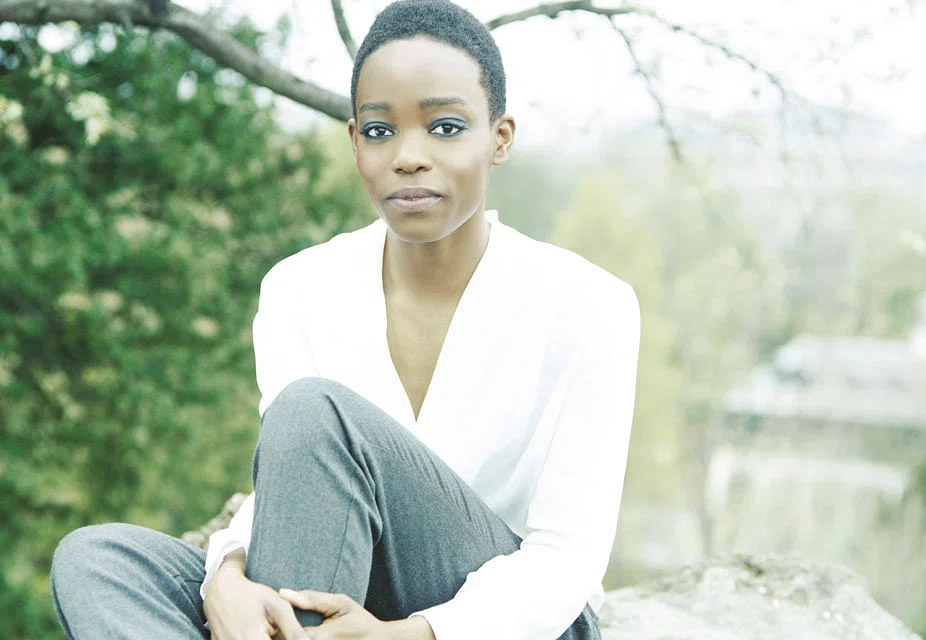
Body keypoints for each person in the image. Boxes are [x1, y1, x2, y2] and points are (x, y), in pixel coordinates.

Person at [49, 1, 641, 638]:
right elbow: (296, 483)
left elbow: (566, 557)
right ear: (355, 141)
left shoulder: (589, 304)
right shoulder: (299, 288)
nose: (409, 156)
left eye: (445, 127)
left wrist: (406, 634)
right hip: (341, 586)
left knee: (314, 409)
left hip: (508, 620)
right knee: (97, 561)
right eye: (381, 131)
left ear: (499, 138)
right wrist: (228, 572)